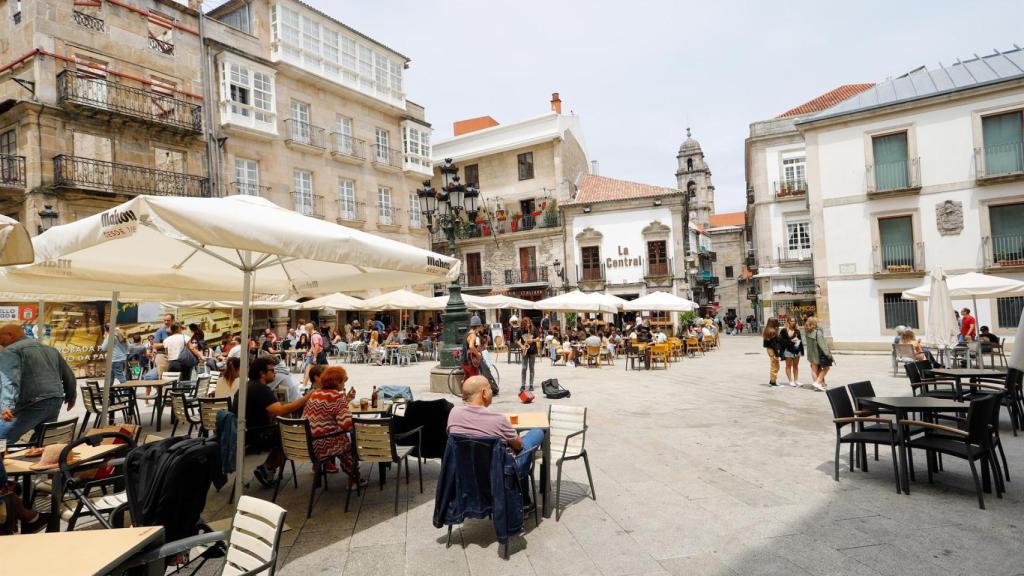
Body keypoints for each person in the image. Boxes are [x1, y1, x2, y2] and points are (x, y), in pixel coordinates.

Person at [447, 375, 544, 478]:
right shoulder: (498, 420)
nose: (492, 391)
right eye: (490, 388)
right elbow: (519, 446)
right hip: (499, 474)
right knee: (537, 433)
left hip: (466, 471)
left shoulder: (454, 413)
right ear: (484, 393)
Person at [0, 324, 77, 442]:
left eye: (1, 338)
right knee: (42, 441)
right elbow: (69, 375)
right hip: (55, 400)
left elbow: (10, 379)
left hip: (33, 403)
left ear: (10, 335)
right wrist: (71, 396)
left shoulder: (11, 351)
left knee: (2, 438)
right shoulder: (50, 350)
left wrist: (7, 405)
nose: (1, 343)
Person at [244, 356, 312, 488]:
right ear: (262, 373)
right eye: (271, 370)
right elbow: (280, 410)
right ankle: (268, 468)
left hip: (248, 430)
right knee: (291, 436)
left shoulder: (251, 386)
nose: (275, 373)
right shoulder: (260, 389)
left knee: (285, 432)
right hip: (254, 434)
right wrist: (307, 398)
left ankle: (268, 469)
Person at [301, 366, 362, 483]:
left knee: (341, 437)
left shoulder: (315, 394)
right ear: (337, 382)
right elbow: (346, 425)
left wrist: (346, 400)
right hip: (322, 444)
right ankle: (355, 479)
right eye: (343, 381)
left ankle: (353, 476)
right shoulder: (337, 396)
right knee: (349, 443)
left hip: (307, 443)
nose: (344, 385)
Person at [804, 317, 832, 391]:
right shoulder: (817, 333)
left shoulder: (807, 332)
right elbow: (822, 345)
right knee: (826, 368)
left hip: (811, 353)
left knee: (814, 370)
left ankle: (817, 385)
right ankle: (817, 382)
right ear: (814, 323)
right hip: (818, 354)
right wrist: (828, 354)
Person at [780, 316, 803, 388]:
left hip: (796, 350)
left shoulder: (797, 331)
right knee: (788, 365)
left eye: (794, 321)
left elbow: (799, 341)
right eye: (791, 321)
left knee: (796, 366)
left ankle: (796, 380)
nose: (793, 323)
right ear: (788, 322)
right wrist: (791, 341)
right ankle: (790, 380)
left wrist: (798, 342)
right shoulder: (784, 330)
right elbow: (781, 341)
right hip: (788, 350)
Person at [151, 313, 175, 378]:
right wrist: (167, 343)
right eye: (165, 320)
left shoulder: (177, 330)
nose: (166, 322)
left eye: (168, 320)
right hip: (163, 355)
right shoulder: (160, 331)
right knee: (162, 376)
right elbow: (155, 345)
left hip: (175, 356)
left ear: (173, 320)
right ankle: (161, 388)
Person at [761, 318, 783, 387]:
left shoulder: (766, 330)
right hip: (773, 350)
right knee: (775, 366)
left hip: (769, 349)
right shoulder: (772, 331)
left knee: (774, 365)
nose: (778, 323)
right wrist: (777, 355)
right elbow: (774, 345)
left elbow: (767, 343)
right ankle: (773, 382)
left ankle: (772, 381)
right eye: (777, 322)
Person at [519, 317, 539, 392]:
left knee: (531, 368)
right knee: (524, 368)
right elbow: (516, 340)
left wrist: (532, 340)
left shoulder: (534, 329)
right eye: (525, 325)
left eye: (528, 324)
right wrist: (521, 346)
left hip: (532, 351)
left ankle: (531, 385)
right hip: (524, 350)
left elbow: (538, 338)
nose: (527, 326)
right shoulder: (520, 330)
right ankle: (523, 385)